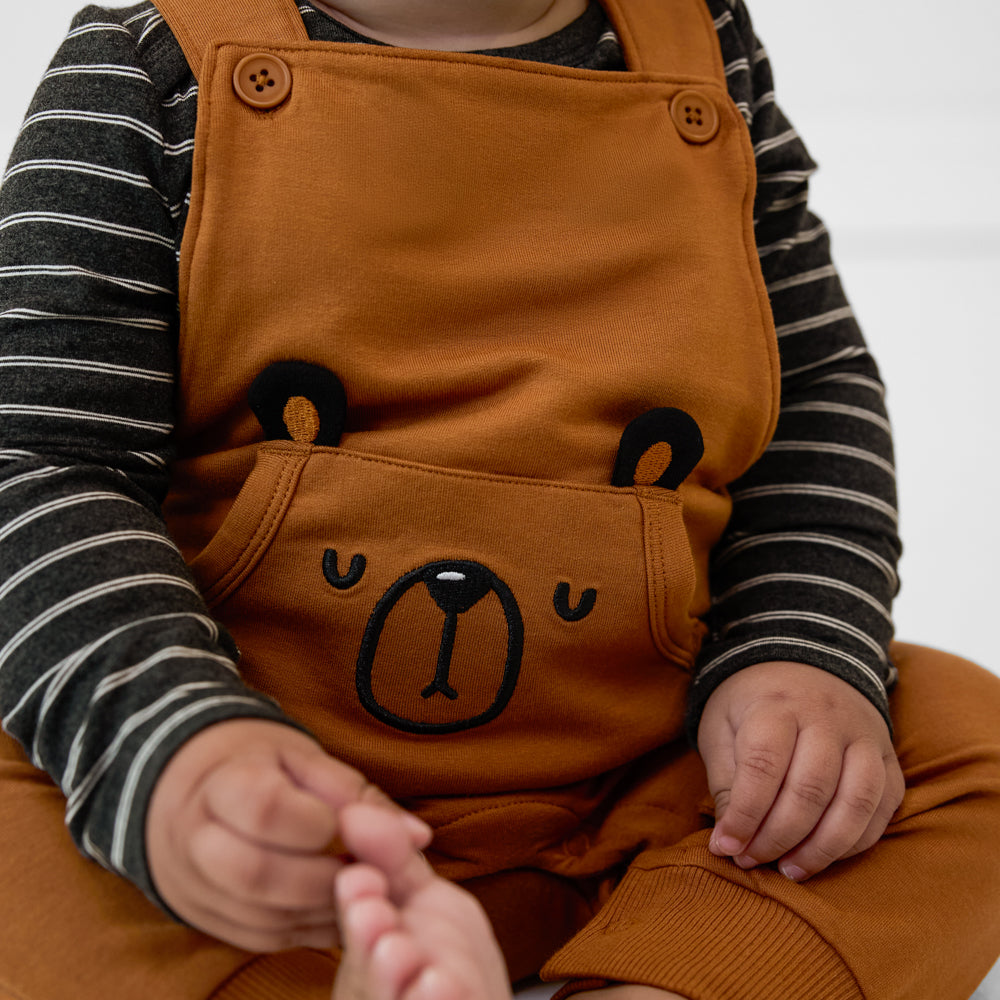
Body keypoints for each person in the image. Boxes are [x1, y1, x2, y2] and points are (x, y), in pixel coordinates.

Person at [0, 1, 998, 999]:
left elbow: (806, 391)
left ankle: (668, 976)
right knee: (29, 789)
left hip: (635, 791)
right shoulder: (148, 67)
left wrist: (794, 647)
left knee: (959, 740)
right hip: (274, 819)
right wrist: (173, 755)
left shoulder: (702, 49)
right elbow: (45, 463)